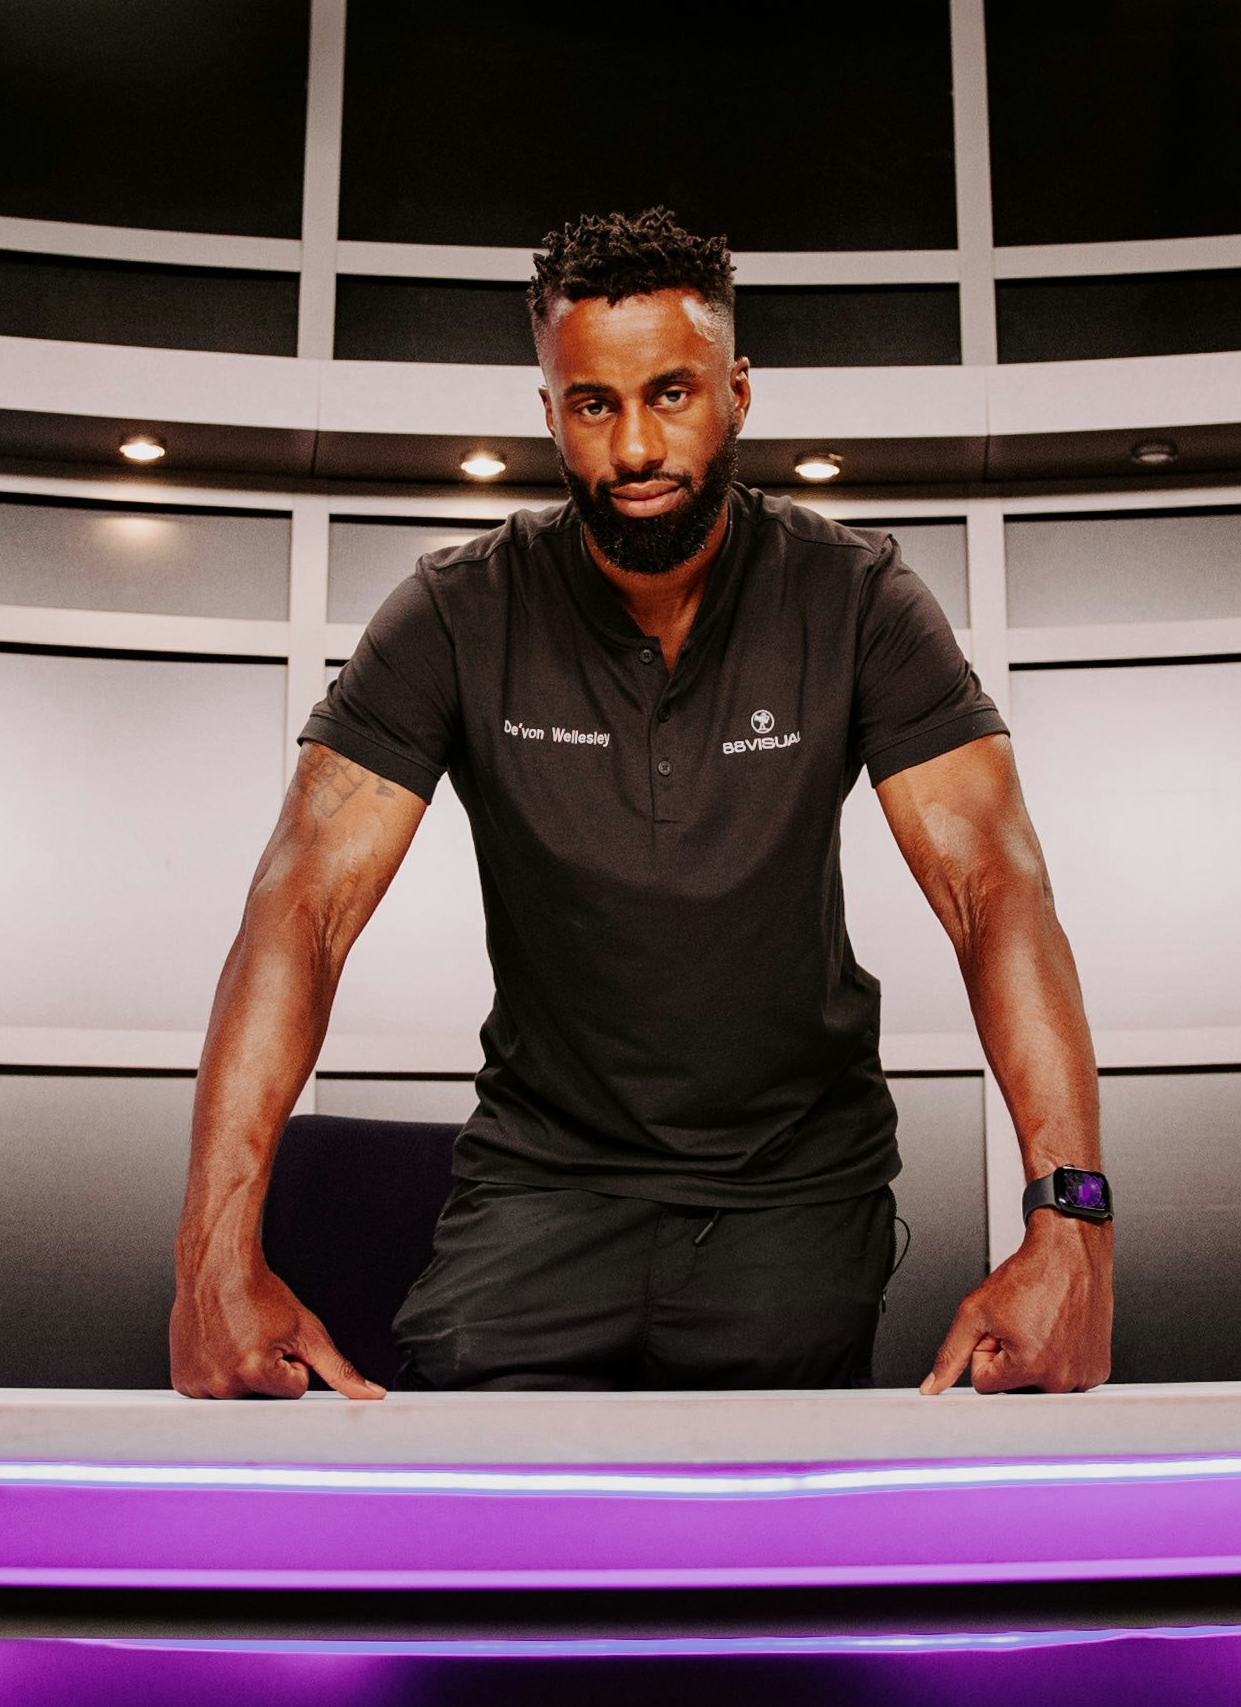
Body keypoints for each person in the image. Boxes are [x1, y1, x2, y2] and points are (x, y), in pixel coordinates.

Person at [168, 206, 1113, 1398]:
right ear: (549, 410)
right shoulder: (456, 613)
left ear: (736, 394)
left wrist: (1071, 1227)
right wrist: (210, 1262)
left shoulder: (857, 596)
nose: (632, 451)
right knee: (476, 1509)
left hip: (791, 1186)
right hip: (541, 1181)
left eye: (671, 394)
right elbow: (299, 904)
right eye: (592, 404)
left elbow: (995, 889)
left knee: (758, 1533)